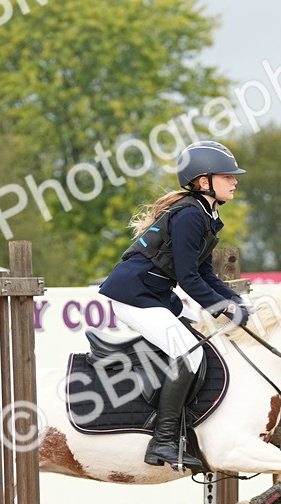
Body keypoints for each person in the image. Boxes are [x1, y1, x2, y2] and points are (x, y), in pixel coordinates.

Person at [99, 140, 252, 472]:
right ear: (203, 181)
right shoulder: (189, 216)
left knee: (196, 345)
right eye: (227, 176)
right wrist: (223, 309)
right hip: (134, 296)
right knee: (190, 352)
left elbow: (204, 271)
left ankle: (180, 430)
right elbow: (187, 278)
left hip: (151, 296)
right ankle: (164, 439)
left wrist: (236, 302)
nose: (235, 181)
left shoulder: (203, 214)